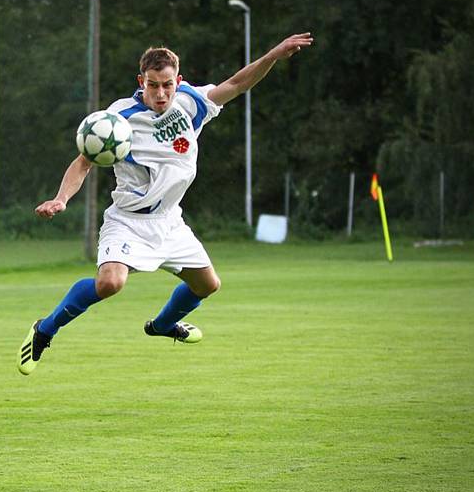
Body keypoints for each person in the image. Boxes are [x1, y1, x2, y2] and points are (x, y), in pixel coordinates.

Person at [18, 33, 313, 375]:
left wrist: (273, 55)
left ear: (179, 81)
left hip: (170, 221)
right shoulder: (119, 117)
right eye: (153, 85)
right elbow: (84, 161)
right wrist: (60, 199)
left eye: (168, 85)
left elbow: (236, 83)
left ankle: (161, 326)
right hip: (128, 219)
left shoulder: (190, 102)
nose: (161, 94)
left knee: (207, 285)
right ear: (141, 81)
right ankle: (45, 329)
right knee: (110, 283)